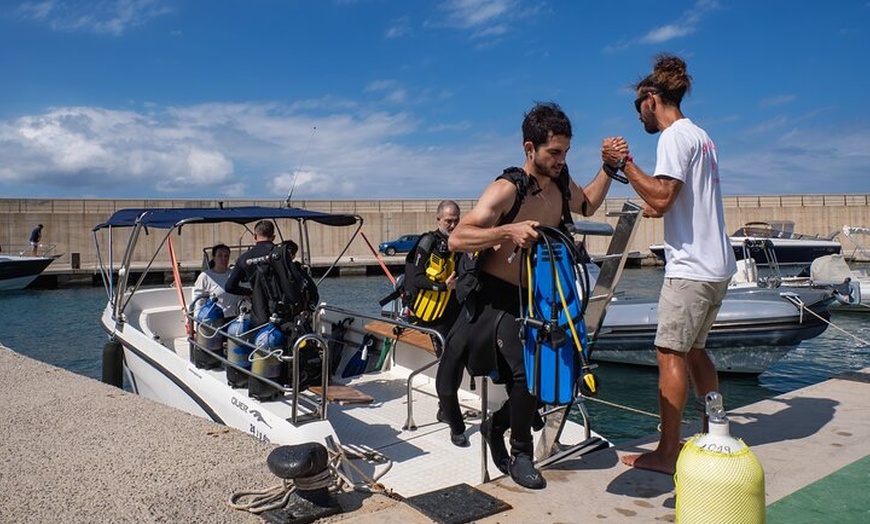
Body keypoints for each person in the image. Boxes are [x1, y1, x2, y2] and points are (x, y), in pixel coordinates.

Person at [446, 102, 614, 489]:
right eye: (554, 152)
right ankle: (521, 452)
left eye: (566, 152)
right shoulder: (507, 189)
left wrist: (608, 169)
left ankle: (496, 425)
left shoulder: (559, 182)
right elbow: (458, 238)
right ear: (529, 148)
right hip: (498, 298)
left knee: (560, 374)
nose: (560, 160)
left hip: (540, 296)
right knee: (527, 374)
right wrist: (507, 231)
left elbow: (586, 203)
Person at [602, 54, 737, 475]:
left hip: (692, 268)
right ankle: (715, 433)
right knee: (695, 352)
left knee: (669, 353)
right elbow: (666, 202)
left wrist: (624, 163)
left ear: (651, 99)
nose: (639, 114)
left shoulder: (674, 137)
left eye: (638, 106)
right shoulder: (702, 136)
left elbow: (660, 199)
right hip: (718, 266)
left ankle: (667, 452)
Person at [396, 200, 466, 445]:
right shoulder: (427, 243)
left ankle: (447, 405)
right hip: (435, 315)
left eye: (456, 219)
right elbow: (414, 277)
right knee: (449, 360)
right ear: (438, 219)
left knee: (459, 359)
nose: (453, 224)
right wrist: (441, 286)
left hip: (457, 310)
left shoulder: (461, 243)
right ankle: (445, 409)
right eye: (448, 220)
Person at [224, 220, 278, 326]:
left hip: (259, 310)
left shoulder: (244, 258)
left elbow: (229, 286)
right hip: (282, 310)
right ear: (273, 237)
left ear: (255, 236)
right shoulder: (280, 254)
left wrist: (250, 292)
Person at [191, 244, 243, 318]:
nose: (223, 258)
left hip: (234, 318)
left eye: (226, 256)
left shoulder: (234, 275)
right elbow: (198, 301)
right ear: (213, 257)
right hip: (214, 319)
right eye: (220, 255)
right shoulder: (205, 277)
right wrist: (197, 321)